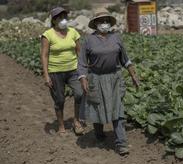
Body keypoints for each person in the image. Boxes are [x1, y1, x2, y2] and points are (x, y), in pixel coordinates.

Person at [78, 12, 139, 155]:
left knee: (117, 110)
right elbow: (81, 62)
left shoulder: (116, 38)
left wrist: (133, 75)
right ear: (95, 24)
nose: (104, 23)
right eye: (101, 21)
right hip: (96, 78)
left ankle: (121, 143)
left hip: (114, 78)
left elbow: (125, 59)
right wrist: (83, 78)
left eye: (106, 21)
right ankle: (99, 135)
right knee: (97, 107)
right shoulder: (89, 40)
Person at [40, 7, 84, 135]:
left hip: (73, 70)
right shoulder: (48, 35)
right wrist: (46, 75)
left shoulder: (73, 32)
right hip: (55, 72)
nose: (63, 20)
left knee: (79, 94)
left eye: (64, 17)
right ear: (53, 20)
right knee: (59, 100)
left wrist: (82, 70)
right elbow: (44, 55)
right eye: (59, 18)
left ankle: (76, 122)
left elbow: (79, 52)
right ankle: (61, 126)